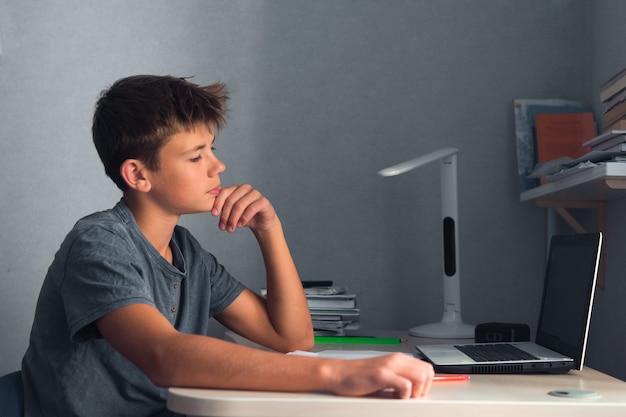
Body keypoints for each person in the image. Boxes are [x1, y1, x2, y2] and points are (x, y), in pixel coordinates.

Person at [21, 75, 434, 417]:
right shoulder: (100, 243)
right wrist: (338, 375)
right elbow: (164, 355)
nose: (217, 166)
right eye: (196, 156)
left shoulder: (188, 252)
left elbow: (291, 339)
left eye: (212, 149)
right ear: (138, 174)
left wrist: (269, 230)